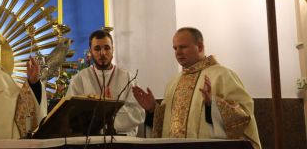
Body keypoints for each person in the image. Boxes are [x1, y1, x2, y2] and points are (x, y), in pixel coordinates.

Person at [132, 27, 260, 148]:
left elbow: (244, 115)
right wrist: (153, 110)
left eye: (183, 47)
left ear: (200, 47)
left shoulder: (222, 75)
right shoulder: (173, 82)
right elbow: (166, 126)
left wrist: (213, 105)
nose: (178, 52)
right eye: (175, 48)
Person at [65, 29, 144, 136]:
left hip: (123, 140)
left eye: (107, 48)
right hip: (90, 141)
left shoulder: (127, 77)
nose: (102, 53)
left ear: (113, 49)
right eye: (97, 49)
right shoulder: (79, 80)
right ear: (90, 51)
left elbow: (138, 114)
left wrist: (109, 109)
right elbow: (71, 116)